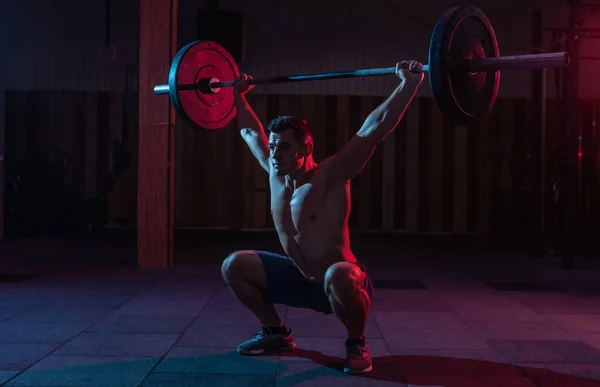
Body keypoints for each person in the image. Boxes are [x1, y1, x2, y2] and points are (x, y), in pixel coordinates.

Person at [221, 60, 424, 374]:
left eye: (285, 147)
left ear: (307, 147)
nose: (275, 155)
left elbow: (374, 128)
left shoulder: (332, 174)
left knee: (338, 275)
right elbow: (249, 131)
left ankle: (356, 342)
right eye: (274, 147)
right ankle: (275, 333)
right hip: (301, 277)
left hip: (343, 281)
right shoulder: (274, 172)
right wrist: (238, 95)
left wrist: (408, 84)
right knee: (234, 265)